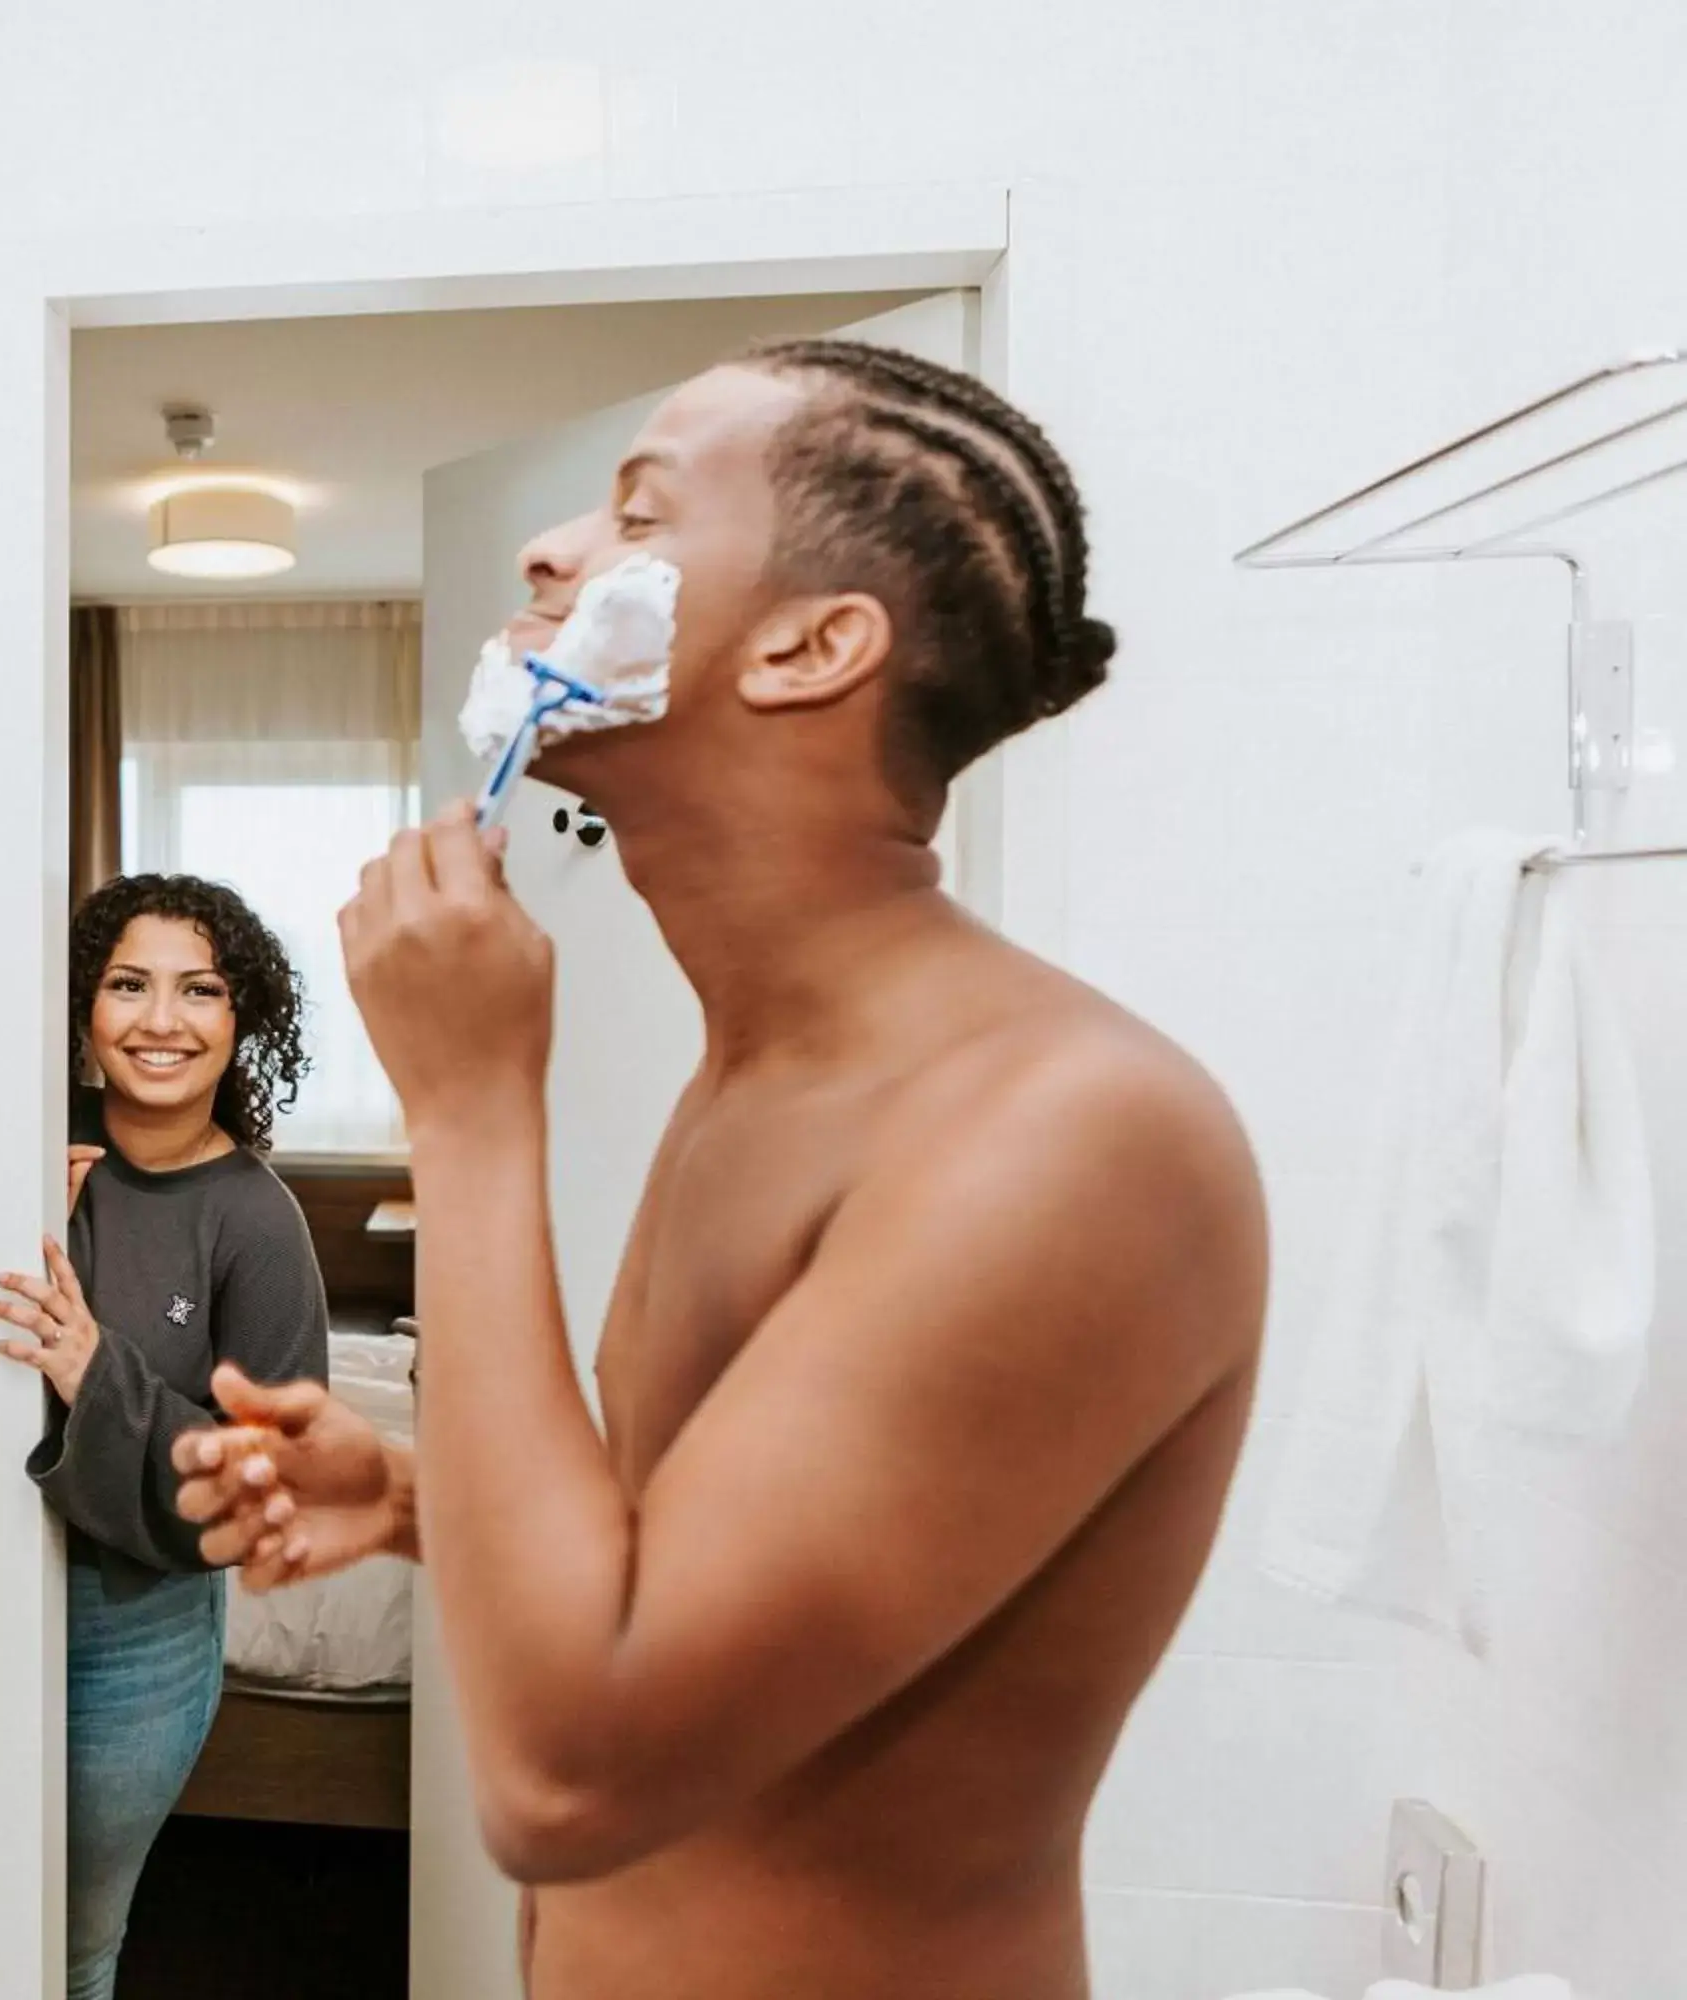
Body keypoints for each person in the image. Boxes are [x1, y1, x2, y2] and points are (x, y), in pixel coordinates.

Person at [173, 340, 1268, 1999]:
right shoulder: (759, 1076)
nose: (548, 550)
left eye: (636, 512)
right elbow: (695, 1583)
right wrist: (412, 1501)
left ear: (813, 648)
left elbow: (569, 1777)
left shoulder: (1068, 1133)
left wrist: (468, 1110)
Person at [0, 873, 334, 2000]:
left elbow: (267, 1483)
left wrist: (99, 1368)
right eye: (128, 984)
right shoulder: (17, 1161)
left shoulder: (255, 1220)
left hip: (132, 1632)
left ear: (241, 1020)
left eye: (199, 990)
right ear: (82, 1009)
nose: (161, 1020)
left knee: (65, 1943)